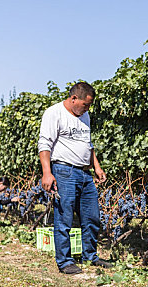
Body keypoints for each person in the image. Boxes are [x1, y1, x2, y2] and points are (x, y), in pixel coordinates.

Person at [38, 82, 111, 275]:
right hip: (63, 171)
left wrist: (96, 166)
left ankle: (90, 256)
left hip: (84, 173)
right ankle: (64, 261)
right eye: (85, 104)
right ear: (74, 99)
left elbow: (88, 143)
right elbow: (44, 144)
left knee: (92, 216)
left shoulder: (84, 116)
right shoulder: (54, 113)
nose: (87, 109)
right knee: (65, 217)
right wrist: (47, 172)